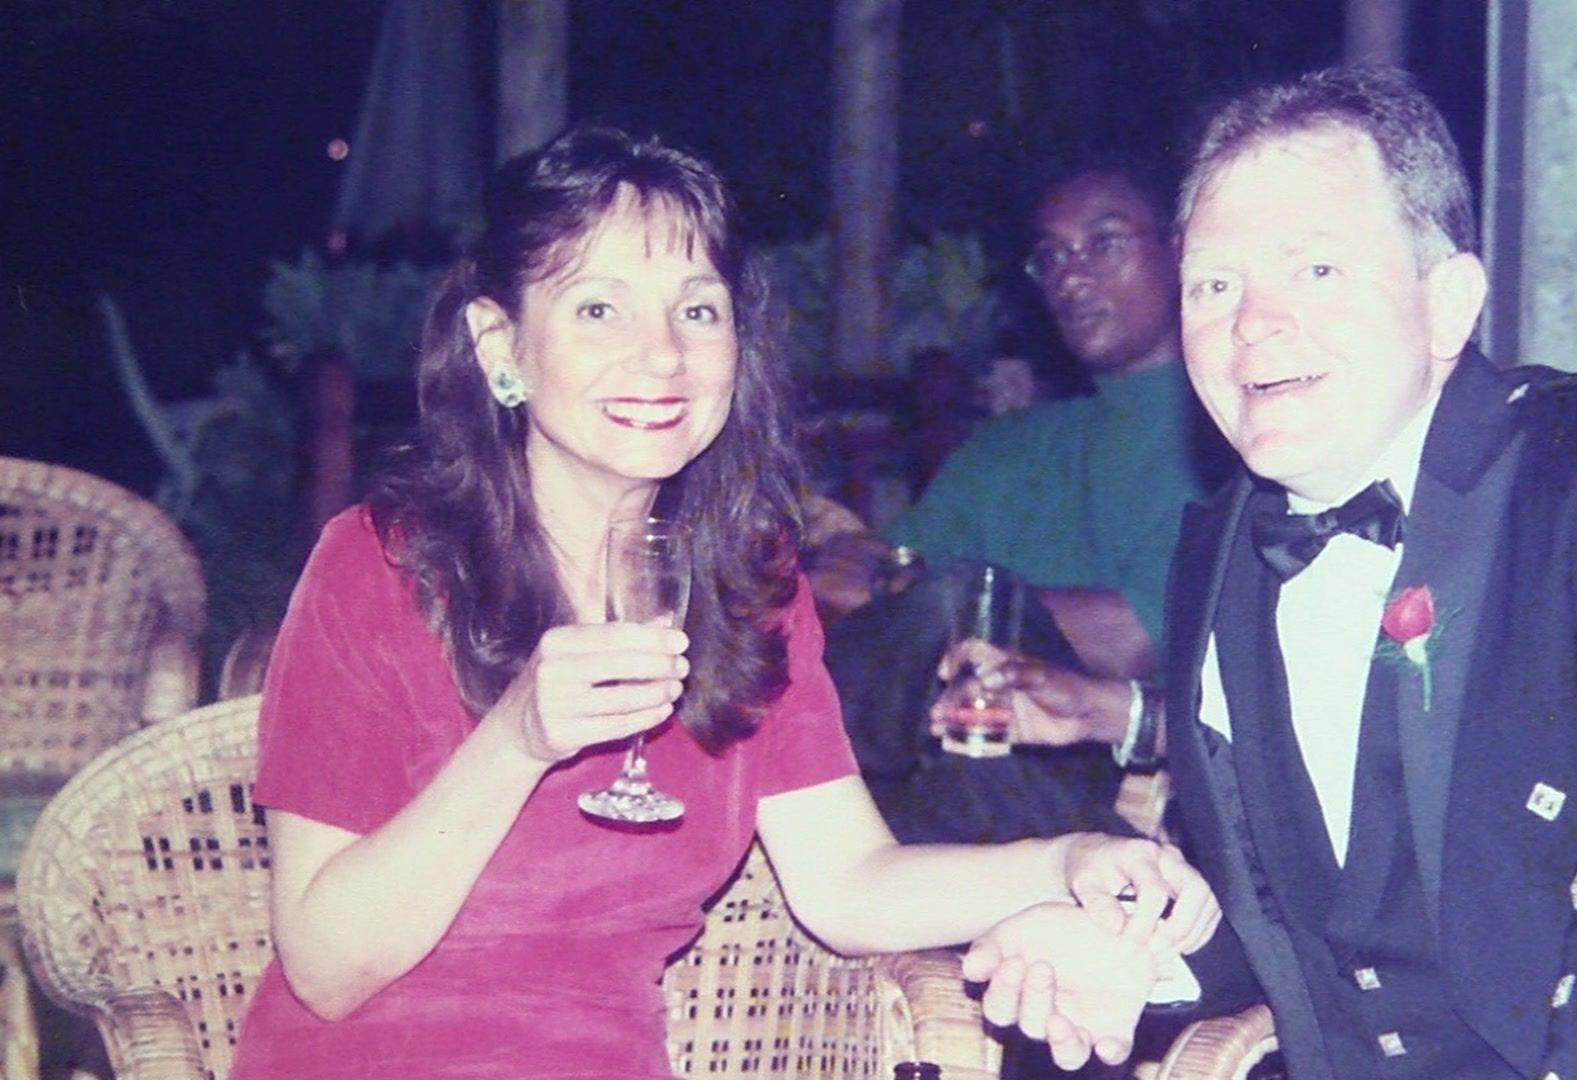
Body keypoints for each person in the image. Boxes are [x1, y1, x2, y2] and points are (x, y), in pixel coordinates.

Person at [971, 67, 1577, 1077]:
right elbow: (1304, 920)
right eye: (1214, 283)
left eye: (1316, 269)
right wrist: (1141, 963)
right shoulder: (1222, 548)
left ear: (1448, 303)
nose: (1252, 322)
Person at [230, 125, 1218, 1078]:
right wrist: (517, 742)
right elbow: (325, 966)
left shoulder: (747, 587)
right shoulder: (380, 567)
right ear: (502, 346)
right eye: (598, 309)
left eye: (696, 309)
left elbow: (850, 885)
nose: (662, 355)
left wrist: (1070, 864)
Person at [815, 158, 1231, 844]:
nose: (1071, 274)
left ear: (1182, 248)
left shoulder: (1227, 437)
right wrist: (906, 588)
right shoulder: (1009, 447)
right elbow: (845, 579)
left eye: (1104, 242)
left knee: (945, 607)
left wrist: (924, 592)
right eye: (1052, 255)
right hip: (921, 772)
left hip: (1084, 794)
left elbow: (1135, 641)